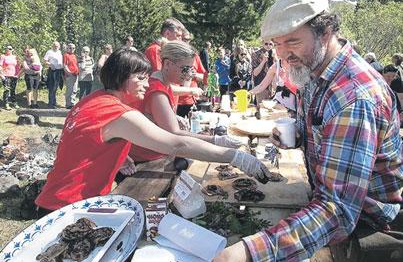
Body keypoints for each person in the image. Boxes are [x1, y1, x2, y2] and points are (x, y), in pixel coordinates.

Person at [196, 0, 402, 262]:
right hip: (333, 232)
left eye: (292, 42)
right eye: (277, 45)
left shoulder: (354, 97)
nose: (283, 55)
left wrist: (248, 252)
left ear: (327, 31)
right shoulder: (317, 74)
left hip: (365, 243)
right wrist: (297, 137)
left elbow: (337, 210)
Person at [35, 48, 269, 213]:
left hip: (57, 198)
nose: (147, 84)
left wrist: (118, 154)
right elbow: (176, 143)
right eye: (140, 78)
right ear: (121, 78)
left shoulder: (93, 100)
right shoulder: (118, 112)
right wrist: (235, 157)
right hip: (68, 206)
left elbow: (84, 141)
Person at [128, 41, 241, 164]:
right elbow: (175, 134)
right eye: (185, 69)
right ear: (167, 64)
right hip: (146, 160)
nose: (188, 74)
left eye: (191, 69)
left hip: (155, 153)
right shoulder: (157, 91)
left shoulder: (164, 84)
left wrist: (173, 117)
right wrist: (216, 141)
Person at [177, 31, 206, 118]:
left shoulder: (194, 56)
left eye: (188, 40)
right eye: (184, 39)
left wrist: (194, 74)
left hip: (192, 100)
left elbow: (205, 77)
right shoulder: (173, 57)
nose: (186, 42)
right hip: (177, 101)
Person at [44, 41, 64, 108]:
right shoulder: (49, 52)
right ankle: (51, 103)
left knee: (56, 87)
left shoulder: (59, 52)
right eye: (55, 46)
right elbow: (45, 61)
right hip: (52, 71)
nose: (56, 47)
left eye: (57, 46)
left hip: (59, 71)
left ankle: (54, 102)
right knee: (51, 87)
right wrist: (50, 64)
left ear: (59, 46)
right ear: (52, 46)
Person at [0, 45, 20, 110]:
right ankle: (6, 103)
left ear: (12, 50)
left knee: (13, 90)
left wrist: (18, 75)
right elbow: (0, 66)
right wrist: (1, 75)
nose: (8, 49)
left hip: (14, 76)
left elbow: (17, 66)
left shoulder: (15, 57)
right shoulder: (3, 56)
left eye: (10, 49)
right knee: (7, 90)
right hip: (6, 75)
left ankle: (14, 103)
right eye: (7, 48)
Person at [63, 43, 79, 108]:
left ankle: (72, 103)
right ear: (67, 48)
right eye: (70, 48)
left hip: (76, 75)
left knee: (74, 90)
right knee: (69, 90)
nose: (72, 49)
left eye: (73, 48)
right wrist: (69, 73)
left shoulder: (74, 56)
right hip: (70, 75)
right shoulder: (66, 55)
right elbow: (65, 65)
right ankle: (68, 104)